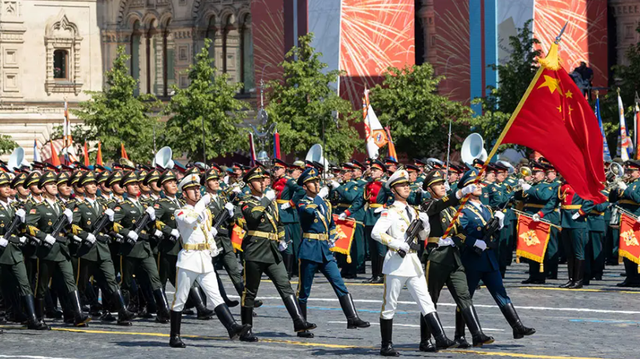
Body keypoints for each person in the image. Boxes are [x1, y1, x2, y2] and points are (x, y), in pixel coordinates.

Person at [372, 170, 457, 357]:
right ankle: (386, 345)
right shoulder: (390, 212)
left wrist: (425, 225)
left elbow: (422, 236)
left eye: (407, 185)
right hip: (396, 263)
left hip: (413, 261)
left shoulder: (414, 210)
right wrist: (396, 244)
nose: (406, 188)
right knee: (390, 304)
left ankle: (440, 337)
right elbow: (376, 233)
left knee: (426, 300)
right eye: (402, 186)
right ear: (394, 190)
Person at [169, 173, 250, 348]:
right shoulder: (180, 211)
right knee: (180, 299)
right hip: (188, 260)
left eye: (198, 188)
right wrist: (201, 204)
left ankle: (232, 327)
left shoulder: (204, 211)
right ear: (184, 194)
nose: (197, 192)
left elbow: (206, 231)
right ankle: (174, 336)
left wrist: (212, 246)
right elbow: (190, 221)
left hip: (204, 258)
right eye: (192, 189)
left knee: (216, 295)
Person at [239, 166, 316, 342]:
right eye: (258, 180)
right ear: (250, 184)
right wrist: (266, 199)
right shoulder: (247, 201)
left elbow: (279, 223)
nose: (263, 182)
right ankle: (246, 329)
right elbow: (253, 216)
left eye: (264, 179)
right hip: (256, 250)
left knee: (285, 285)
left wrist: (281, 238)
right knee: (250, 291)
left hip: (272, 250)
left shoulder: (271, 201)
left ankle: (299, 321)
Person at [458, 169, 536, 340]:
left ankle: (517, 326)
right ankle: (460, 335)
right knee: (466, 298)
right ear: (466, 188)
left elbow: (490, 232)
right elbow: (460, 232)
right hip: (472, 259)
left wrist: (497, 223)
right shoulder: (462, 209)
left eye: (479, 183)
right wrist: (474, 242)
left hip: (488, 258)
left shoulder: (486, 208)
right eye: (475, 184)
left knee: (500, 292)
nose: (479, 186)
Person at [420, 170, 494, 351]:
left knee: (464, 295)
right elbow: (438, 206)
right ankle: (426, 340)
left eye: (444, 183)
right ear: (430, 189)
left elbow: (460, 232)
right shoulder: (428, 204)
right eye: (438, 185)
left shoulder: (454, 209)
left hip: (453, 256)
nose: (443, 187)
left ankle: (477, 333)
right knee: (430, 299)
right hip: (437, 257)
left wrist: (469, 240)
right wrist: (460, 193)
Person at [295, 167, 369, 338]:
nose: (316, 184)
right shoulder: (302, 202)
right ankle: (301, 325)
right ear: (305, 187)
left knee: (339, 283)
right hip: (310, 248)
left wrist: (333, 236)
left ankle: (352, 317)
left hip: (325, 250)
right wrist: (319, 198)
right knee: (304, 290)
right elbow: (307, 213)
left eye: (317, 181)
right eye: (312, 182)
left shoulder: (326, 204)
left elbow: (331, 224)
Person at [25, 170, 90, 327]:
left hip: (62, 248)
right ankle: (38, 316)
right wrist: (43, 236)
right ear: (44, 188)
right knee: (42, 284)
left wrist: (69, 222)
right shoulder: (38, 207)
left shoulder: (63, 206)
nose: (54, 186)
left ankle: (78, 314)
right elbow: (27, 226)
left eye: (55, 184)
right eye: (51, 184)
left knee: (70, 280)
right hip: (47, 251)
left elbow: (69, 227)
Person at [71, 171, 135, 326]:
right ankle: (76, 314)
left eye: (95, 183)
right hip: (87, 251)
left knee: (111, 279)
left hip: (103, 249)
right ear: (84, 187)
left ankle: (122, 312)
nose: (94, 186)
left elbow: (111, 226)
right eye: (90, 184)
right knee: (81, 283)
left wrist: (112, 225)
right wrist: (85, 235)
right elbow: (72, 226)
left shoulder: (103, 205)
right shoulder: (79, 206)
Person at [112, 171, 171, 323]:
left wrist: (152, 222)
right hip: (129, 248)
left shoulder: (145, 205)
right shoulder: (122, 207)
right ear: (125, 189)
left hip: (145, 247)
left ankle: (163, 310)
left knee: (155, 278)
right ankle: (123, 313)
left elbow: (151, 226)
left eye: (136, 183)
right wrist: (127, 232)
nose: (135, 186)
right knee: (125, 282)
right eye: (131, 184)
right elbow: (113, 225)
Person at [0, 172, 49, 331]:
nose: (8, 189)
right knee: (5, 287)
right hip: (1, 253)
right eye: (3, 186)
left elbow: (23, 228)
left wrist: (22, 225)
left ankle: (32, 318)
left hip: (15, 251)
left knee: (24, 283)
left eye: (8, 186)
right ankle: (11, 312)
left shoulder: (15, 206)